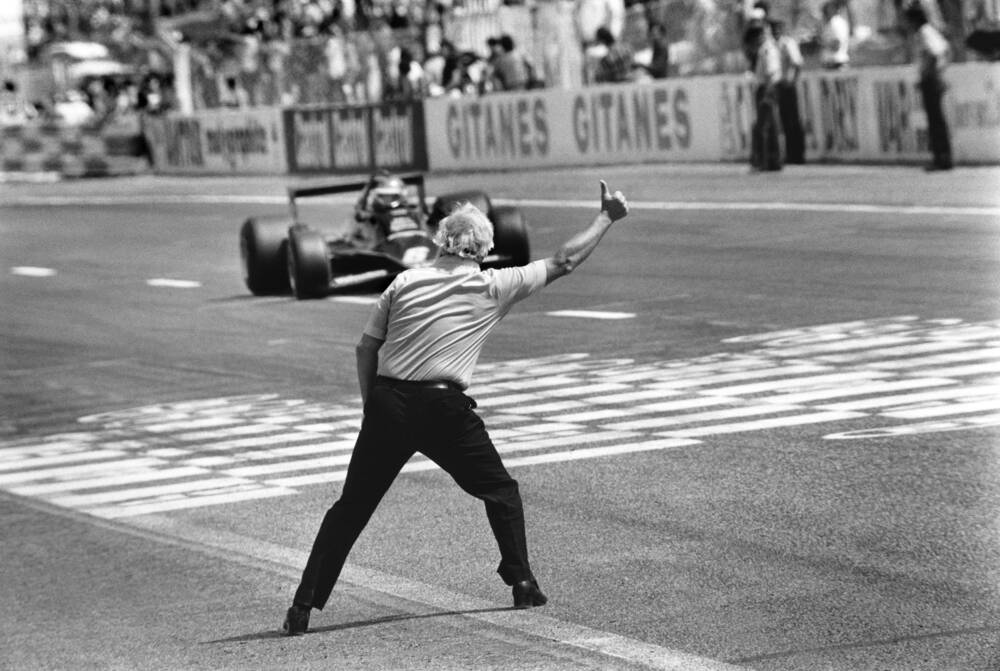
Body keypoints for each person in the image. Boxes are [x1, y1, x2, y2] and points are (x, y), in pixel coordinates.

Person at [282, 180, 631, 635]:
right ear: (484, 248)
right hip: (445, 408)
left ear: (439, 242)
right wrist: (606, 217)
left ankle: (303, 606)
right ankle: (522, 581)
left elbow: (365, 349)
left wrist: (374, 407)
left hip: (389, 400)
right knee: (500, 491)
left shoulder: (403, 282)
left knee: (350, 509)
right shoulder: (492, 285)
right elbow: (564, 260)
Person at [904, 2, 953, 171]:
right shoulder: (926, 31)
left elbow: (934, 53)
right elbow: (945, 49)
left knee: (936, 120)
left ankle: (942, 158)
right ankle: (941, 156)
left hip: (931, 80)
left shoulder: (924, 32)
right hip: (932, 78)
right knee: (935, 119)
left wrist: (929, 73)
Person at [746, 19, 783, 171]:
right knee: (769, 125)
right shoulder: (766, 48)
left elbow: (771, 72)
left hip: (767, 88)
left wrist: (767, 92)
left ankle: (764, 160)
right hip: (767, 87)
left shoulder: (768, 49)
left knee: (764, 126)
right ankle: (772, 161)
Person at [772, 19, 805, 164]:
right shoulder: (774, 45)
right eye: (774, 29)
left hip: (788, 85)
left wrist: (792, 80)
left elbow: (797, 63)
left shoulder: (787, 43)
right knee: (785, 120)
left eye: (778, 29)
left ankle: (798, 154)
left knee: (793, 120)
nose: (775, 32)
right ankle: (791, 153)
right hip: (780, 85)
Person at [820, 0, 850, 69]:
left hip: (836, 63)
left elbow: (836, 44)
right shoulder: (836, 22)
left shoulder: (835, 23)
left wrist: (821, 43)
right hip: (835, 62)